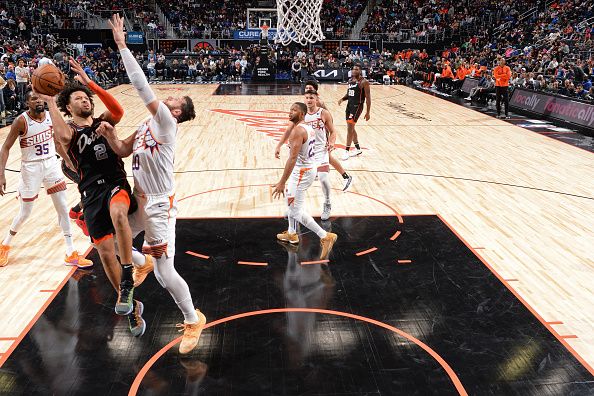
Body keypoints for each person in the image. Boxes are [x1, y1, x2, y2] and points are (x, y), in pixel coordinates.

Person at [97, 14, 205, 354]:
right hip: (140, 197)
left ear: (177, 113)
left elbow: (142, 85)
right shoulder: (148, 124)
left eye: (177, 101)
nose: (171, 98)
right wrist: (111, 134)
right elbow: (124, 149)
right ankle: (139, 266)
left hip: (159, 204)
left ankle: (193, 318)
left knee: (164, 272)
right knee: (112, 240)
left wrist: (122, 47)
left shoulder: (165, 124)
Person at [35, 58, 145, 336]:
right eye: (79, 98)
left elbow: (118, 110)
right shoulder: (68, 131)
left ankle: (128, 279)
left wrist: (90, 83)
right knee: (106, 255)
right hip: (91, 193)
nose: (85, 101)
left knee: (119, 213)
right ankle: (131, 307)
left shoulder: (102, 122)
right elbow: (61, 134)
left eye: (87, 98)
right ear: (68, 107)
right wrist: (49, 100)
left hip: (116, 183)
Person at [0, 90, 92, 268]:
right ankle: (5, 244)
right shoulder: (21, 121)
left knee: (62, 208)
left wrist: (70, 163)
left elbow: (58, 144)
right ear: (28, 103)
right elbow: (5, 147)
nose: (39, 101)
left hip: (51, 165)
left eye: (41, 98)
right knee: (25, 212)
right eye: (34, 99)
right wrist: (1, 174)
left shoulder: (51, 116)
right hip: (31, 168)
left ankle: (70, 252)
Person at [272, 102, 337, 260]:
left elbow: (293, 158)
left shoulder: (298, 131)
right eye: (289, 109)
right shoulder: (308, 128)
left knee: (294, 210)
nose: (290, 112)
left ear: (302, 114)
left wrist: (282, 182)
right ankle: (292, 234)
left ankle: (325, 236)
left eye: (294, 110)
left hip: (302, 172)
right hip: (306, 169)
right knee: (290, 201)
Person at [337, 64, 370, 160]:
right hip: (349, 106)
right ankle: (358, 149)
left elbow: (368, 98)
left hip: (357, 106)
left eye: (357, 69)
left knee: (350, 128)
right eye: (353, 69)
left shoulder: (364, 82)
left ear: (360, 71)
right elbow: (349, 93)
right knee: (350, 127)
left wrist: (368, 112)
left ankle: (346, 150)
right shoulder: (350, 81)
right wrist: (342, 99)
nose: (354, 71)